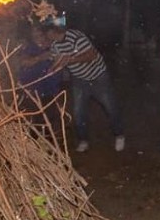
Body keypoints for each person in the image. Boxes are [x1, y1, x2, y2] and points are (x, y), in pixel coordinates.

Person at [45, 22, 125, 153]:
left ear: (54, 31)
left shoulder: (76, 37)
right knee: (78, 112)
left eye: (48, 33)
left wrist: (70, 59)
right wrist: (51, 69)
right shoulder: (55, 45)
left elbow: (91, 55)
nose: (47, 37)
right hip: (79, 79)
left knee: (110, 107)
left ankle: (119, 135)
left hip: (98, 76)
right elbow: (57, 61)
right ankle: (83, 140)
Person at [17, 23, 64, 143]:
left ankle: (52, 147)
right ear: (31, 36)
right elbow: (24, 63)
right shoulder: (28, 48)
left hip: (51, 88)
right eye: (35, 33)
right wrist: (40, 58)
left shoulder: (53, 46)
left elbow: (62, 61)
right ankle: (35, 147)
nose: (38, 35)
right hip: (33, 89)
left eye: (40, 32)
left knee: (52, 119)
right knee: (35, 120)